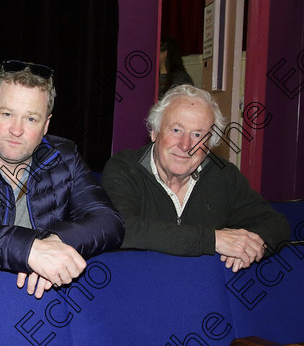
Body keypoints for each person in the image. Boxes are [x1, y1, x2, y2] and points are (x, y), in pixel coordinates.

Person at [0, 59, 125, 299]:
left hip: (40, 302)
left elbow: (109, 221)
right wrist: (28, 250)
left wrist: (55, 243)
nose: (16, 130)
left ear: (46, 124)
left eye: (31, 119)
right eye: (7, 114)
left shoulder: (65, 156)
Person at [101, 84, 290, 272]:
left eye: (197, 135)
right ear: (154, 132)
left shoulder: (224, 176)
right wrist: (213, 240)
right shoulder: (124, 168)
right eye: (176, 130)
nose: (186, 145)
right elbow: (122, 229)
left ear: (209, 144)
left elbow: (276, 225)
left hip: (203, 290)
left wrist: (249, 248)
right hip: (139, 288)